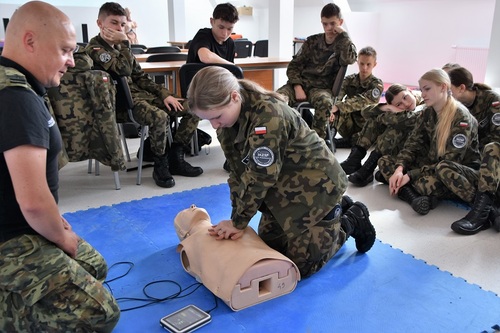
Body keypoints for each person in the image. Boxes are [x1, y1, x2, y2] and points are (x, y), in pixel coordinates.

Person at [186, 66, 376, 278]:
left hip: (317, 188)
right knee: (271, 255)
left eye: (217, 116)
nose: (214, 125)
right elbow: (239, 174)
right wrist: (235, 219)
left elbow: (260, 175)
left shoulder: (268, 117)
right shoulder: (227, 122)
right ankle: (336, 212)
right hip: (283, 187)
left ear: (234, 97)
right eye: (208, 119)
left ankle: (351, 218)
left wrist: (238, 222)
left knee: (298, 267)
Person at [0, 2, 120, 331]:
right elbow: (34, 204)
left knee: (96, 267)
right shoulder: (16, 99)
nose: (70, 61)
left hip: (23, 223)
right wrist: (61, 237)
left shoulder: (17, 86)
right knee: (101, 313)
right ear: (29, 41)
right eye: (65, 51)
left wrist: (55, 225)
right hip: (11, 238)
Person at [86, 2, 203, 188]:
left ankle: (176, 156)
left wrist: (164, 94)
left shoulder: (120, 48)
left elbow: (140, 77)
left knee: (194, 109)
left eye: (123, 25)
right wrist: (125, 42)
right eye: (114, 23)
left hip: (142, 97)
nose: (119, 28)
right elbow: (123, 70)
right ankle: (160, 164)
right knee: (160, 117)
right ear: (100, 23)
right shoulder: (95, 49)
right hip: (122, 103)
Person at [378, 68, 481, 216]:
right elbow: (413, 143)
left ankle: (408, 189)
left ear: (443, 87)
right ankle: (410, 194)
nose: (423, 94)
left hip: (457, 171)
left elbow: (450, 161)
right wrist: (400, 169)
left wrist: (411, 175)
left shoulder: (461, 117)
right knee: (384, 161)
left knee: (425, 183)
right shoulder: (428, 112)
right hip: (432, 163)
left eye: (427, 89)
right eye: (421, 89)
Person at [276, 3, 357, 141]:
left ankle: (315, 145)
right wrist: (297, 86)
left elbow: (349, 59)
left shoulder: (343, 44)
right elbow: (294, 66)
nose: (328, 28)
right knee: (276, 100)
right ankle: (284, 140)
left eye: (332, 24)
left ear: (340, 22)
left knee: (325, 103)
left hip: (322, 89)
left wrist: (343, 34)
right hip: (300, 84)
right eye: (325, 24)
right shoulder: (312, 41)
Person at [445, 66, 500, 234]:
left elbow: (497, 139)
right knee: (444, 166)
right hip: (480, 163)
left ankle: (479, 216)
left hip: (494, 160)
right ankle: (491, 211)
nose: (446, 95)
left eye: (449, 90)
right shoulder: (455, 106)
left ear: (461, 88)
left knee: (491, 148)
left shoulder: (493, 101)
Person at [341, 84, 425, 187]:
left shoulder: (424, 100)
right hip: (402, 145)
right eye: (399, 104)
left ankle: (369, 167)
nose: (406, 103)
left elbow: (410, 119)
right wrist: (386, 107)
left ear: (410, 91)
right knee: (373, 120)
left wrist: (383, 116)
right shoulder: (394, 106)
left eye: (405, 97)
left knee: (395, 127)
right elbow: (365, 112)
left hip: (417, 147)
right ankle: (355, 159)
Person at [329, 46, 383, 148]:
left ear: (374, 65)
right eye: (362, 64)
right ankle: (329, 137)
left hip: (365, 126)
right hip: (349, 124)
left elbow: (363, 101)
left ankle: (340, 142)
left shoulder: (377, 84)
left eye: (368, 64)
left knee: (366, 138)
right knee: (336, 107)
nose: (364, 68)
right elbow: (337, 95)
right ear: (357, 62)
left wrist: (338, 106)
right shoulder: (349, 79)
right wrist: (333, 108)